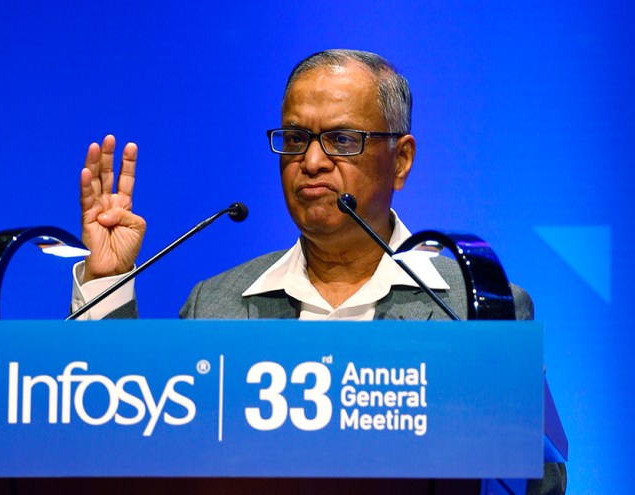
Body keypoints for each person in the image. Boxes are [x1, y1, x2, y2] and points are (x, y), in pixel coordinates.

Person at [70, 49, 564, 493]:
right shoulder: (215, 305)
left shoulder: (475, 306)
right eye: (294, 137)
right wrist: (107, 280)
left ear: (402, 160)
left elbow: (542, 482)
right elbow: (130, 441)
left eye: (342, 140)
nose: (310, 161)